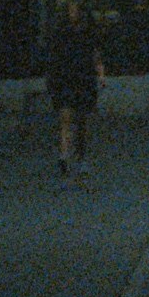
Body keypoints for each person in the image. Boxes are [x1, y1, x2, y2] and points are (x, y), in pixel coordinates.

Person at [43, 13, 103, 178]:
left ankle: (65, 154)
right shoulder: (86, 41)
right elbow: (96, 59)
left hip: (67, 84)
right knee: (80, 123)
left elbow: (53, 65)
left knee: (67, 122)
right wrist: (100, 78)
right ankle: (78, 158)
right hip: (81, 83)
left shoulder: (61, 43)